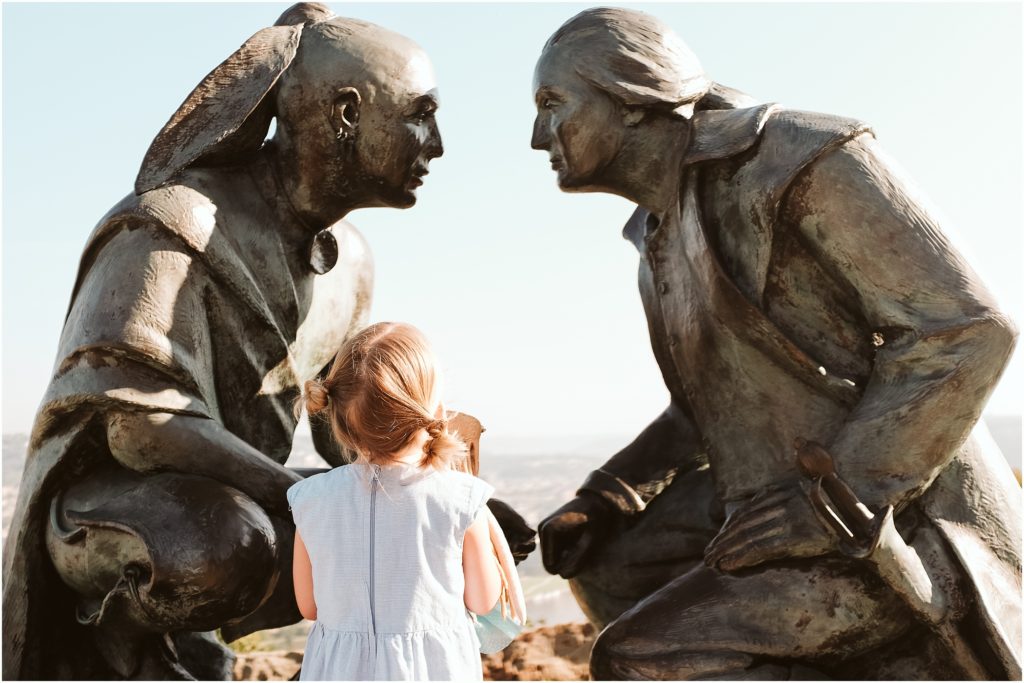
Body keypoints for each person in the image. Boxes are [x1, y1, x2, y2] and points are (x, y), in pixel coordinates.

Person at [531, 7, 1020, 680]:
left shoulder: (799, 158)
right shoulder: (657, 237)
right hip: (758, 500)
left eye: (552, 103)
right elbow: (700, 414)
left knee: (635, 655)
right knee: (605, 562)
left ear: (637, 97)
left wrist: (838, 490)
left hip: (882, 522)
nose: (537, 135)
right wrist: (608, 495)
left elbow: (967, 328)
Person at [2, 3, 446, 679]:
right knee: (226, 541)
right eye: (420, 113)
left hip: (239, 499)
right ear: (348, 113)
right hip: (116, 510)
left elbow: (340, 430)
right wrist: (315, 501)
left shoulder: (350, 261)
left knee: (398, 530)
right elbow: (140, 428)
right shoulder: (171, 226)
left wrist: (431, 488)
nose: (435, 143)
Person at [287, 322, 525, 681]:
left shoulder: (310, 500)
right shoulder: (459, 500)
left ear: (339, 417)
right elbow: (484, 601)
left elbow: (309, 606)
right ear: (434, 409)